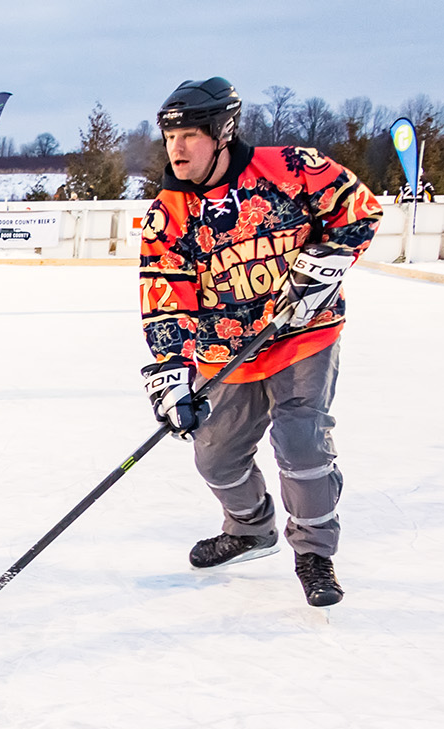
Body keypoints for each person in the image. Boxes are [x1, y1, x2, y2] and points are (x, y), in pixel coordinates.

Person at [140, 77, 381, 607]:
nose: (176, 148)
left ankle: (314, 553)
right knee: (215, 458)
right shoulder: (169, 212)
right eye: (169, 137)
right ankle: (250, 529)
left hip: (302, 338)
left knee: (301, 445)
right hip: (224, 353)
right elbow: (165, 296)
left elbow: (359, 210)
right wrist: (171, 372)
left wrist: (321, 268)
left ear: (222, 133)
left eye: (189, 135)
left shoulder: (292, 169)